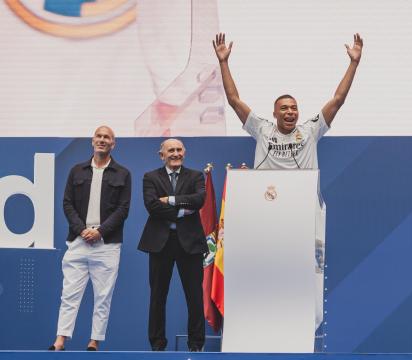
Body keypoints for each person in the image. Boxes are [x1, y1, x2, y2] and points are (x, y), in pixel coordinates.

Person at [212, 32, 363, 169]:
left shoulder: (310, 131)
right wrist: (223, 62)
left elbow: (337, 100)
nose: (290, 111)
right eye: (284, 108)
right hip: (269, 197)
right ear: (274, 113)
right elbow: (234, 100)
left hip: (303, 197)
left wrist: (353, 64)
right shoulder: (262, 129)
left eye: (294, 108)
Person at [49, 126, 131, 351]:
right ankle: (60, 340)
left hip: (107, 244)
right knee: (69, 294)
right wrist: (82, 229)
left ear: (113, 143)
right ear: (92, 140)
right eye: (99, 136)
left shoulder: (122, 174)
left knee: (103, 296)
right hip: (78, 240)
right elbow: (67, 203)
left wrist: (100, 231)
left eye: (107, 137)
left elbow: (123, 209)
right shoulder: (77, 171)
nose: (102, 140)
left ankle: (94, 341)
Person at [137, 138, 207, 352]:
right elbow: (152, 206)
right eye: (171, 150)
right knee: (158, 296)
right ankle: (157, 346)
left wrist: (170, 200)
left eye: (179, 150)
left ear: (184, 153)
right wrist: (183, 211)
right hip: (160, 243)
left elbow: (199, 200)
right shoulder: (150, 177)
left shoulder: (196, 175)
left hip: (190, 243)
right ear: (162, 155)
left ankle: (196, 345)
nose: (175, 153)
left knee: (195, 296)